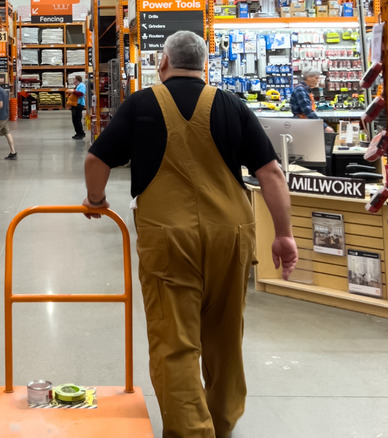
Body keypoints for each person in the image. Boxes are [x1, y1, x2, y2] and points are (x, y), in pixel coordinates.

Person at [82, 31, 298, 438]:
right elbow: (271, 172)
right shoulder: (233, 105)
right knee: (225, 338)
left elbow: (97, 159)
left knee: (175, 342)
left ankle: (192, 432)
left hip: (168, 238)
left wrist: (96, 201)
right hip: (231, 235)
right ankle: (221, 423)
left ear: (163, 62)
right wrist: (284, 234)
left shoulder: (142, 104)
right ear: (205, 66)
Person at [291, 66, 335, 133]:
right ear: (308, 77)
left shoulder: (306, 89)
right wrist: (324, 126)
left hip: (305, 122)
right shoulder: (300, 90)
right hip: (300, 124)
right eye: (316, 78)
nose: (318, 81)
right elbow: (307, 111)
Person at [67, 75, 87, 139]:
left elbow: (81, 94)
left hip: (79, 105)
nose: (73, 80)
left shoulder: (82, 85)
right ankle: (78, 133)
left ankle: (81, 134)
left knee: (77, 120)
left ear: (77, 79)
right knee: (75, 120)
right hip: (75, 105)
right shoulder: (78, 86)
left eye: (74, 79)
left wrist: (73, 91)